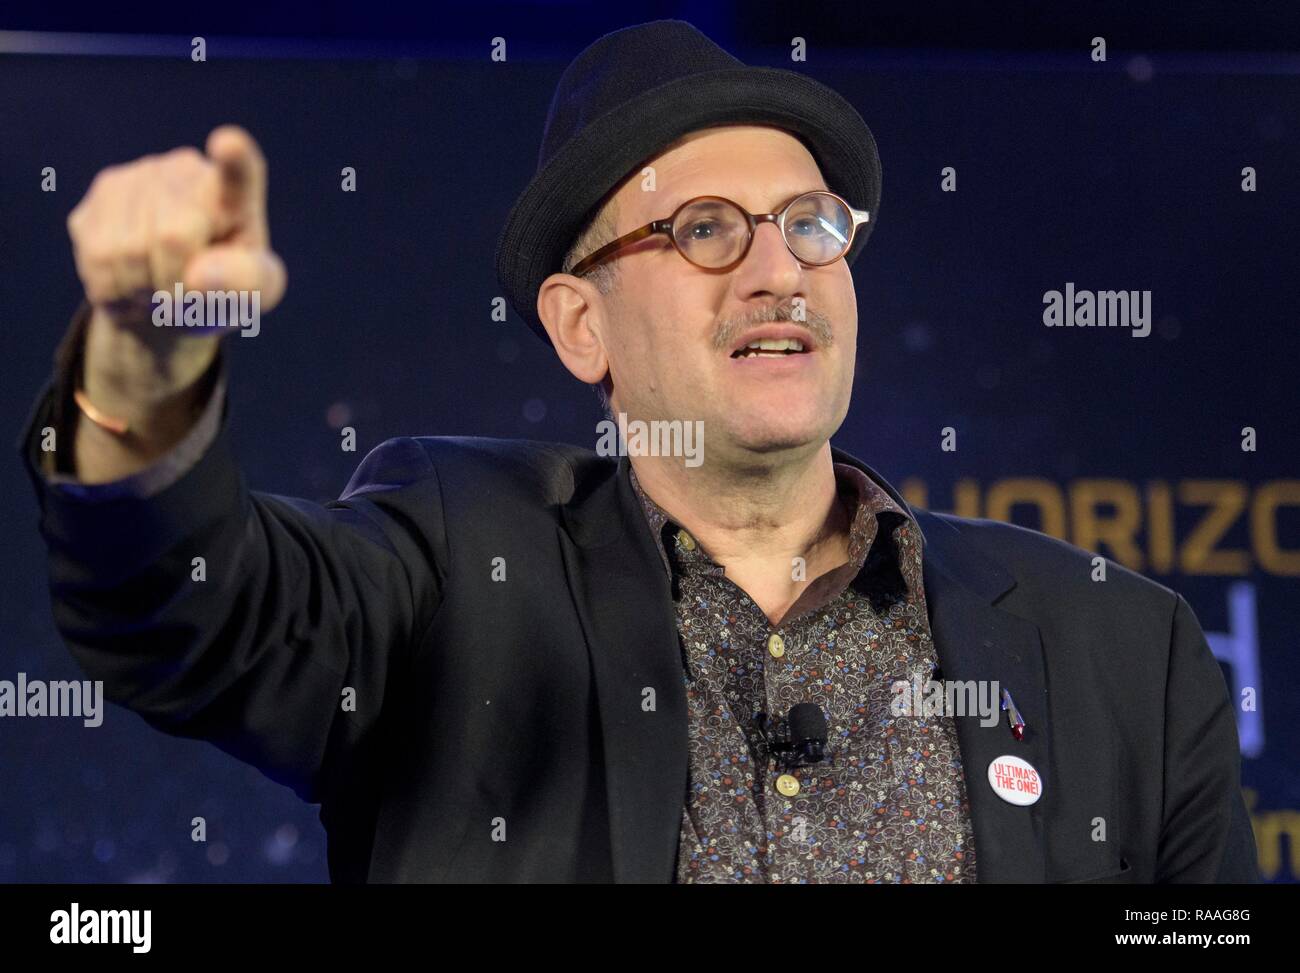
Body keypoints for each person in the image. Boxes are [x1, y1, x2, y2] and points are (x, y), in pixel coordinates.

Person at [20, 19, 1258, 883]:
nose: (779, 271)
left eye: (812, 226)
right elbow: (194, 616)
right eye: (705, 229)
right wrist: (143, 374)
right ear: (579, 325)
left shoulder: (1114, 647)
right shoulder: (456, 567)